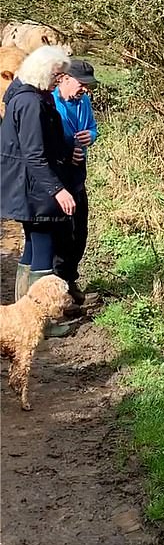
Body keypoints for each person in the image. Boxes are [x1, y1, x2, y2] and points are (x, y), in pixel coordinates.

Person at [0, 46, 81, 335]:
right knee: (43, 253)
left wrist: (68, 149)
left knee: (32, 250)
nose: (60, 82)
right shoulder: (31, 103)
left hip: (24, 188)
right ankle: (41, 324)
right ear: (45, 72)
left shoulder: (23, 95)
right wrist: (58, 189)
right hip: (34, 191)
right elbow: (34, 154)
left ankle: (21, 317)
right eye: (58, 75)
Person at [52, 60, 99, 307]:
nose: (85, 90)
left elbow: (93, 128)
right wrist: (69, 148)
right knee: (60, 235)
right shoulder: (51, 102)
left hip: (78, 174)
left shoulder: (84, 101)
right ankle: (58, 292)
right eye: (82, 84)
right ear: (65, 79)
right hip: (58, 174)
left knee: (79, 233)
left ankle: (70, 281)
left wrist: (89, 137)